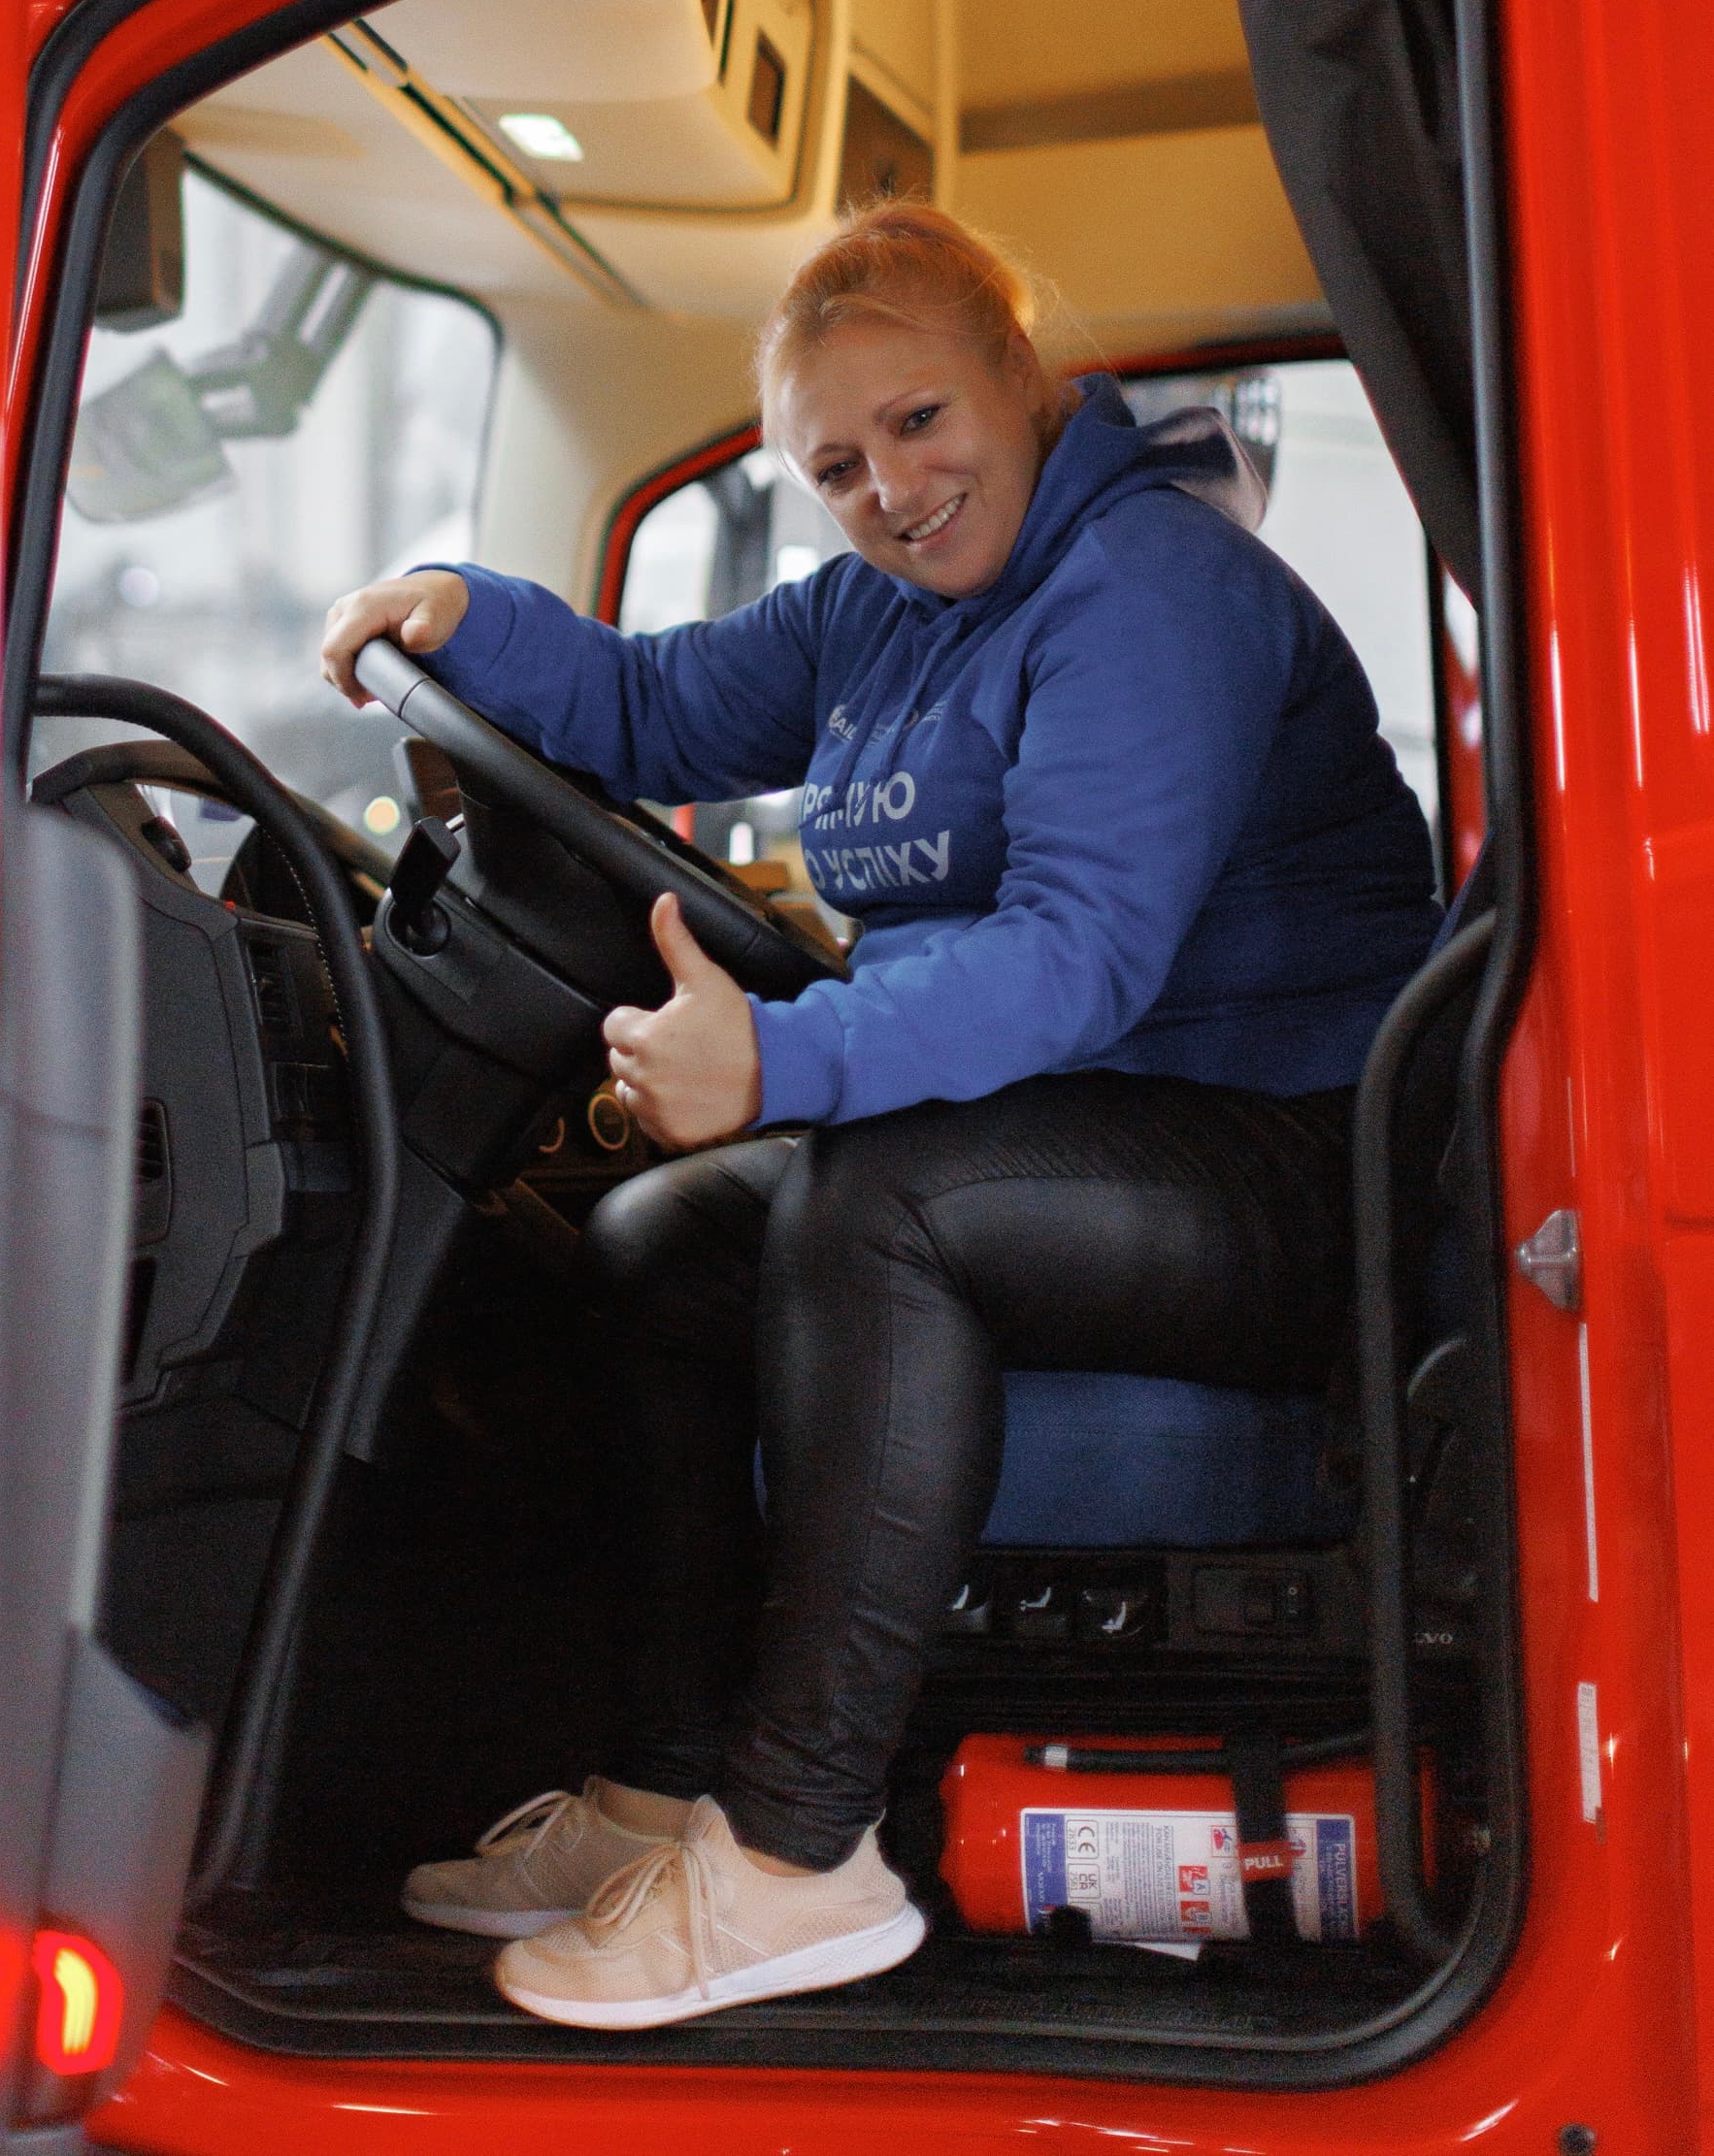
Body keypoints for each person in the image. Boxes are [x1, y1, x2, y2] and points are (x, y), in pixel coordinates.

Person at [317, 200, 1439, 2030]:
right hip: (1088, 1134)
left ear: (1027, 378)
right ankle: (667, 1782)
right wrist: (468, 611)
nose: (889, 488)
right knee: (661, 1230)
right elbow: (655, 704)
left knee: (877, 1196)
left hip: (1290, 1159)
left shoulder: (1148, 589)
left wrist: (776, 1062)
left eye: (920, 422)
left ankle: (793, 1856)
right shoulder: (880, 609)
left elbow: (1075, 956)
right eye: (835, 464)